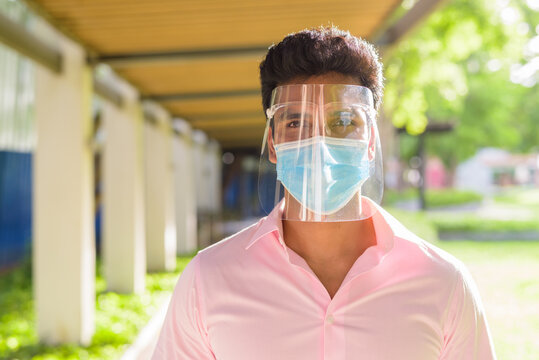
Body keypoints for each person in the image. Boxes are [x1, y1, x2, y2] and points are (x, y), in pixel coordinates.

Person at [151, 26, 496, 359]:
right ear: (273, 143)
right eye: (295, 122)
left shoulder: (442, 283)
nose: (319, 143)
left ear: (371, 142)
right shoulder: (208, 279)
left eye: (343, 122)